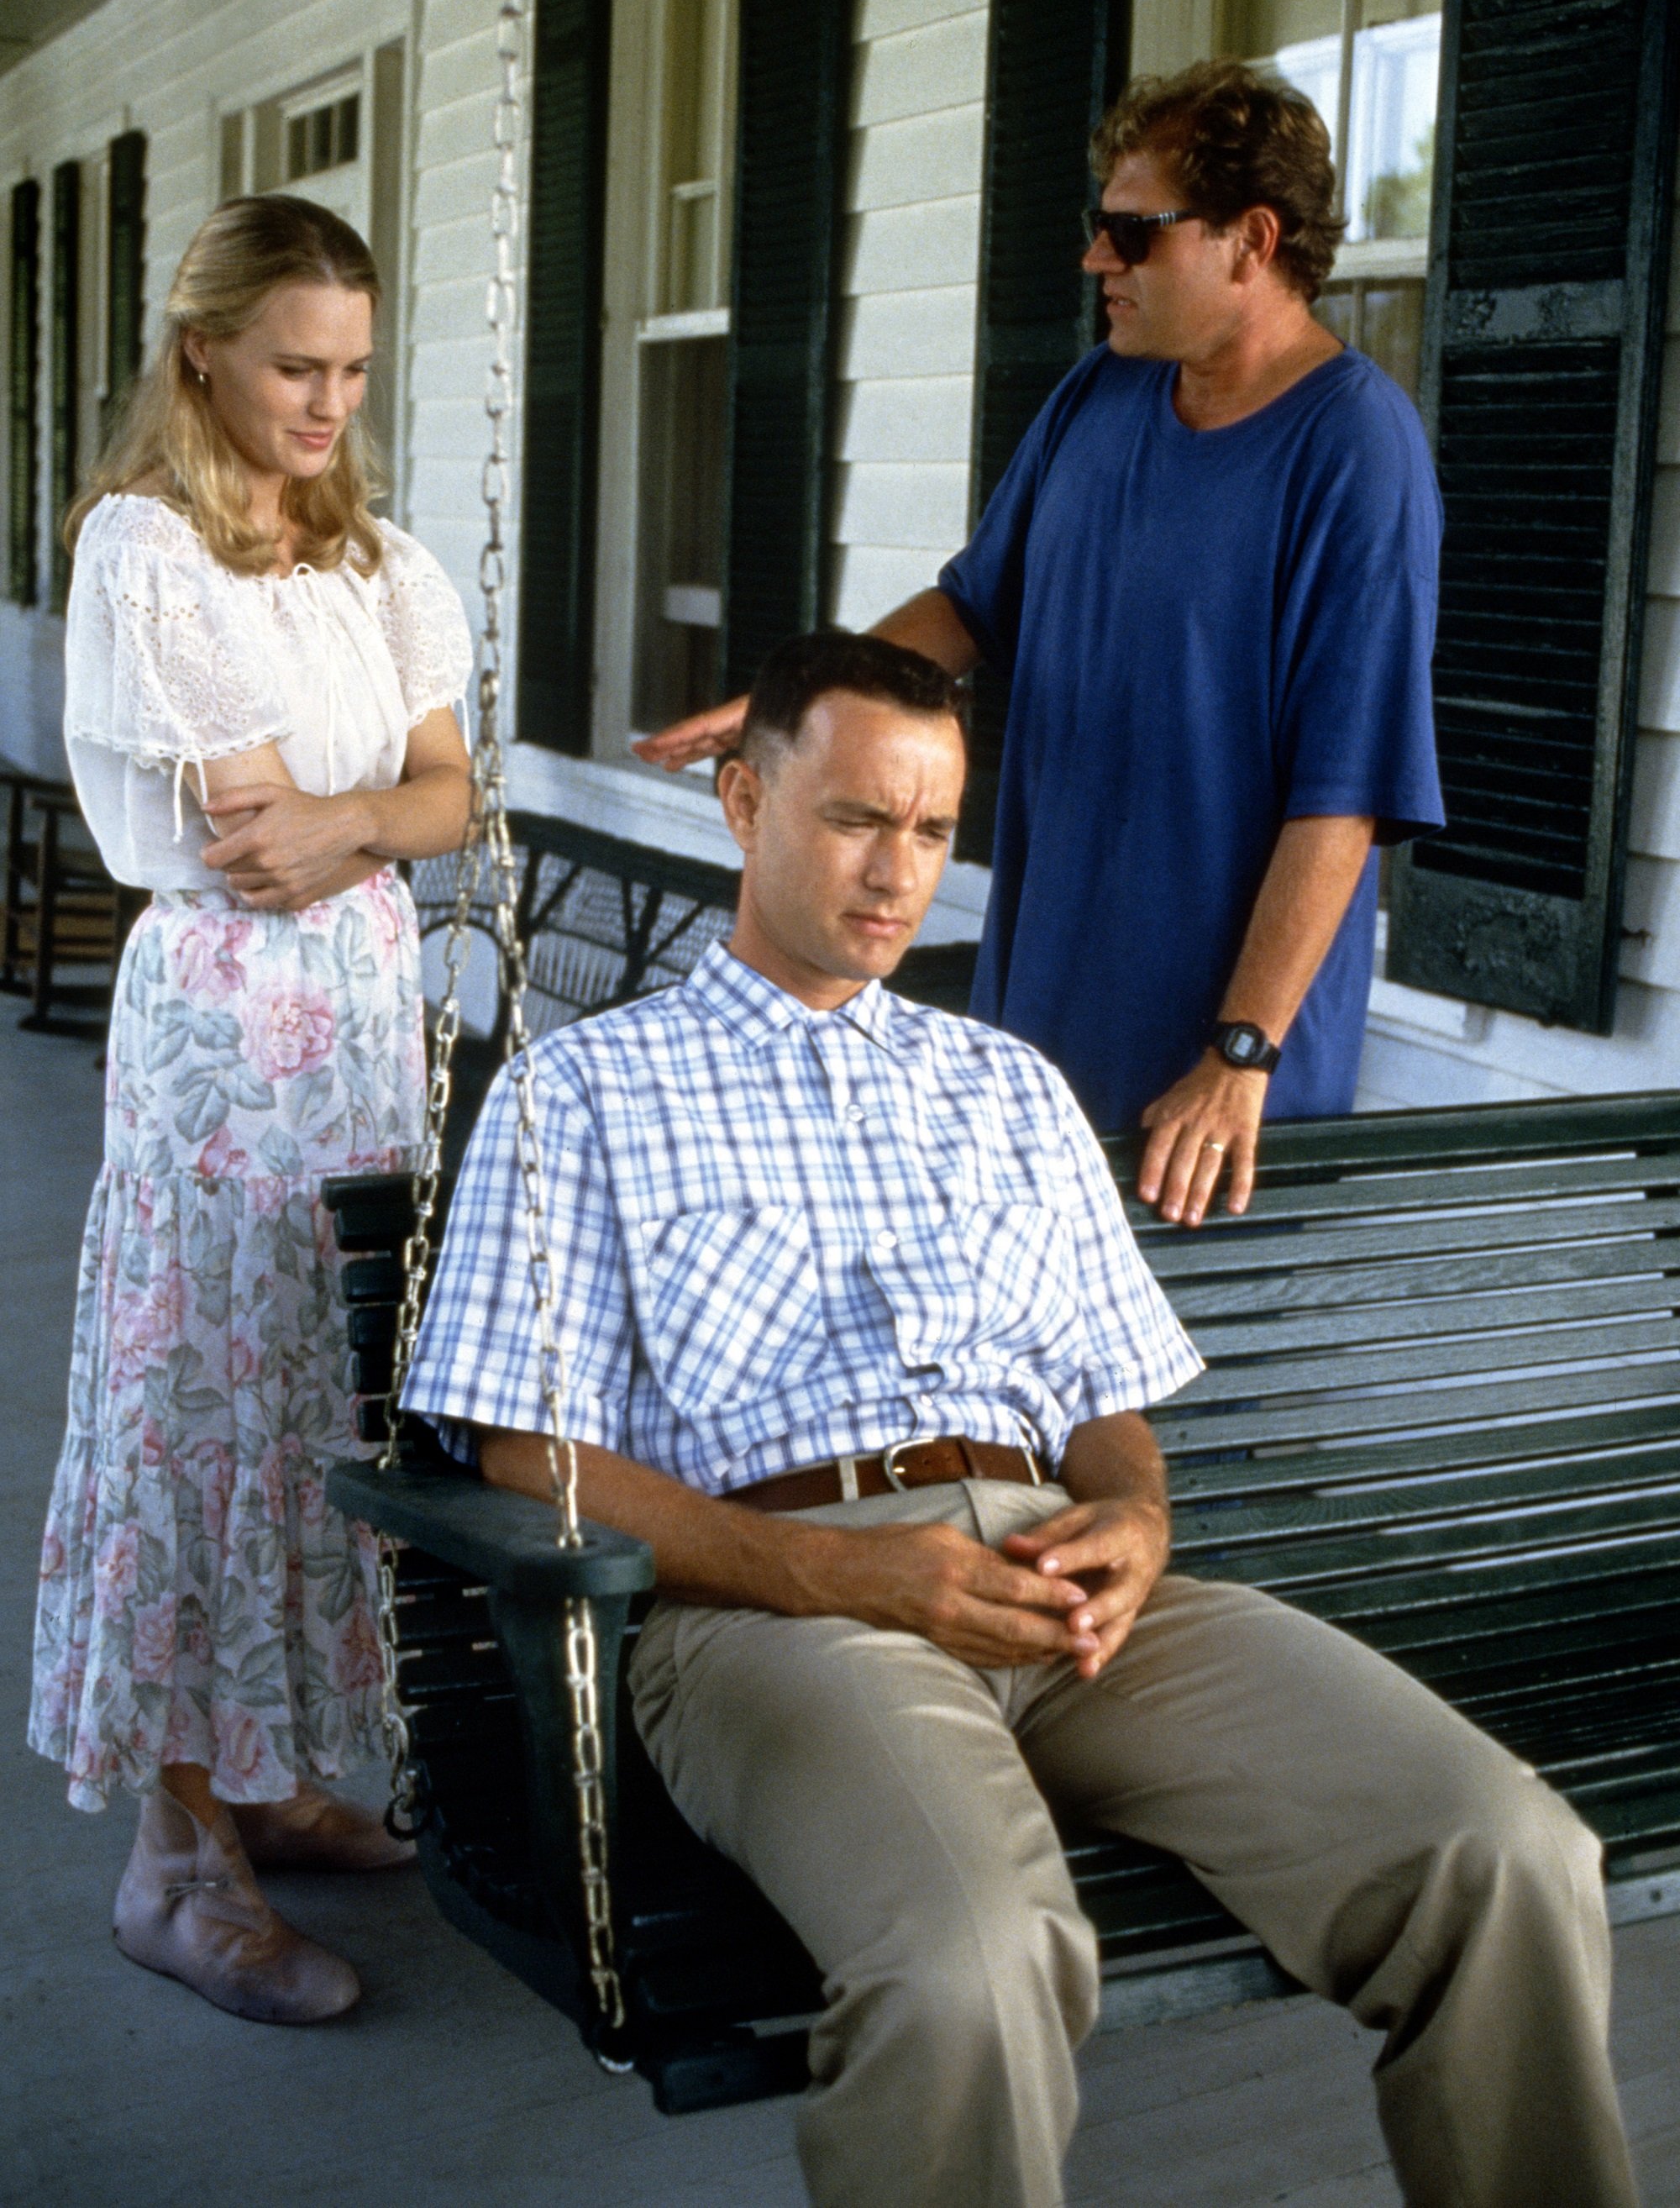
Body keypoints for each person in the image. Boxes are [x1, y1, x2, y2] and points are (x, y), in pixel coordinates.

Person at [405, 632, 1635, 2208]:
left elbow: (1105, 1399)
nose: (896, 872)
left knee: (1504, 1850)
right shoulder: (587, 1092)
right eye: (856, 817)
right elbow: (528, 1452)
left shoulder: (1004, 1084)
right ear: (742, 798)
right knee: (975, 1964)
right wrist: (841, 1576)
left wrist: (1137, 1515)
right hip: (772, 1608)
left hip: (1059, 1588)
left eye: (931, 830)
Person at [634, 60, 1446, 1231]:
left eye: (1132, 232)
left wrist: (1240, 1053)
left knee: (1168, 1416)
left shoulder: (1355, 451)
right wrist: (793, 702)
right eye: (1096, 226)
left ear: (1250, 240)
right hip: (1035, 1038)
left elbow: (1346, 796)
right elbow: (970, 611)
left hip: (1201, 1091)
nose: (1096, 259)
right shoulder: (1098, 398)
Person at [29, 194, 474, 2024]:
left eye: (353, 369)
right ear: (200, 349)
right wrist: (379, 820)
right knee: (204, 1392)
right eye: (295, 364)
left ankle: (283, 1779)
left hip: (366, 1026)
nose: (326, 402)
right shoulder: (149, 553)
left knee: (330, 1384)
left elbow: (445, 798)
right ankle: (177, 1851)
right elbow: (254, 838)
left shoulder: (386, 562)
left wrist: (367, 820)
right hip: (226, 1020)